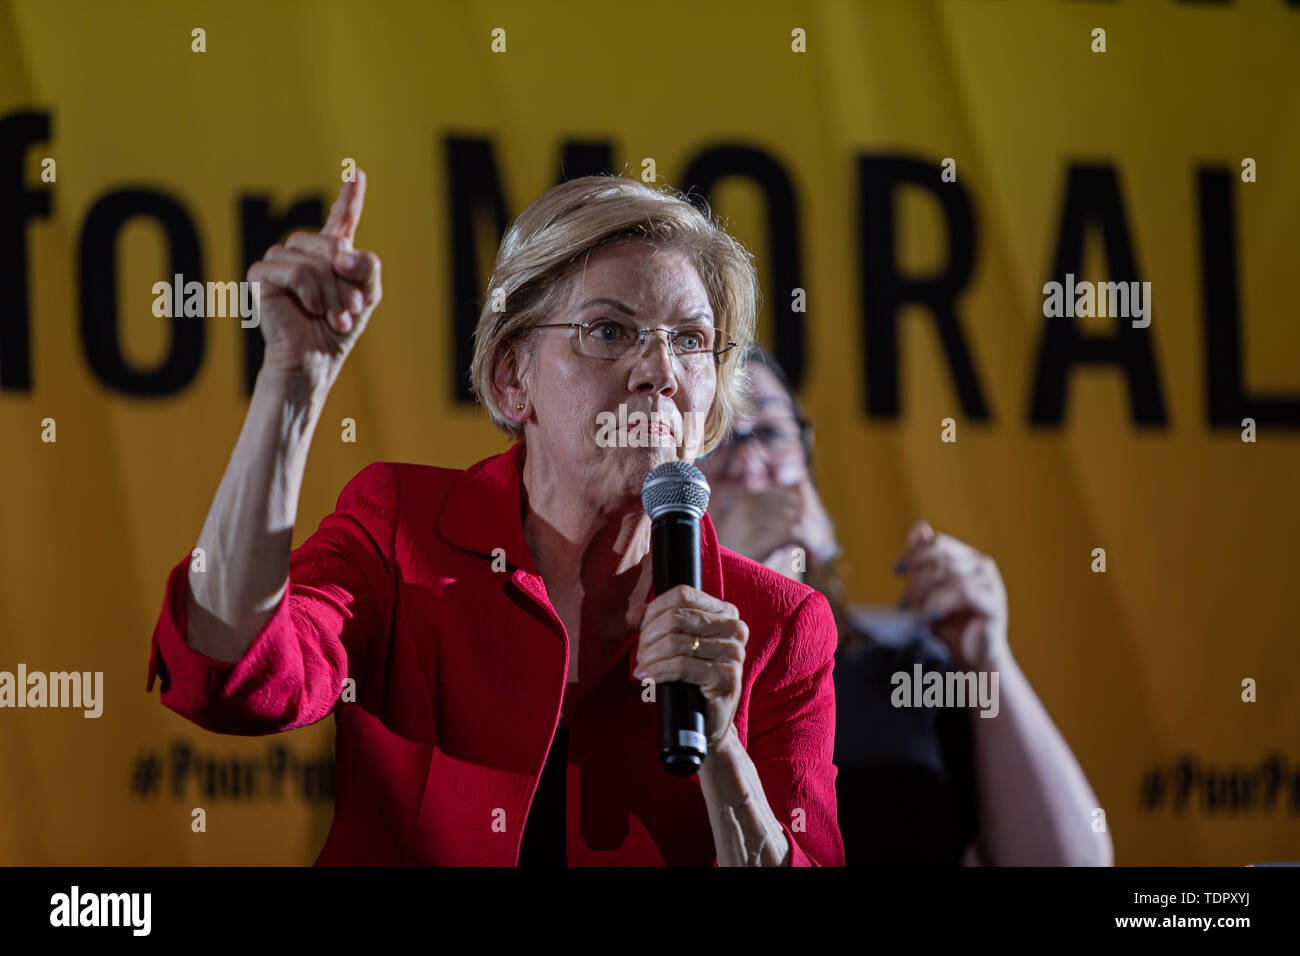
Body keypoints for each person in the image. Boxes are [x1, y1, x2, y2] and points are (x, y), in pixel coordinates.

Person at [145, 171, 844, 866]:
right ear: (514, 379)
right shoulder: (402, 530)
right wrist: (290, 383)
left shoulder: (780, 625)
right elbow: (235, 675)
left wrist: (723, 750)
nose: (658, 369)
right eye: (609, 329)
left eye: (691, 340)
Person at [696, 346, 1114, 866]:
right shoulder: (663, 679)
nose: (752, 465)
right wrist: (729, 577)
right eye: (716, 439)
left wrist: (987, 655)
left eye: (773, 434)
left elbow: (1070, 864)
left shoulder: (902, 670)